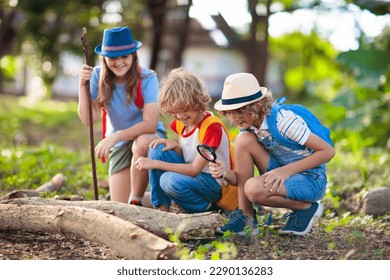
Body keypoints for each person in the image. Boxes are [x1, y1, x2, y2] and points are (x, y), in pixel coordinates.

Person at [209, 73, 335, 236]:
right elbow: (241, 179)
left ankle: (307, 208)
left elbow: (327, 152)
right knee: (243, 140)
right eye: (230, 113)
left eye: (238, 111)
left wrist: (285, 171)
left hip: (311, 178)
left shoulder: (283, 121)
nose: (233, 120)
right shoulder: (251, 126)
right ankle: (246, 218)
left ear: (254, 106)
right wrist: (225, 173)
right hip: (281, 172)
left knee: (253, 189)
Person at [78, 26, 166, 205]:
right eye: (112, 58)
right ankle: (156, 201)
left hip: (148, 140)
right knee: (119, 205)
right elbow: (89, 118)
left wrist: (114, 136)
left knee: (142, 143)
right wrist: (82, 86)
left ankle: (137, 198)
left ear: (133, 55)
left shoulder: (147, 78)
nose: (119, 63)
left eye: (124, 56)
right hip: (120, 143)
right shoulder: (97, 76)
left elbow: (150, 124)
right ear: (104, 58)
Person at [134, 67, 232, 213]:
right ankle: (162, 208)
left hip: (212, 184)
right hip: (194, 178)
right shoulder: (182, 122)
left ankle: (206, 208)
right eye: (175, 112)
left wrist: (154, 163)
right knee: (157, 149)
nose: (180, 116)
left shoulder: (211, 127)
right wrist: (175, 147)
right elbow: (187, 156)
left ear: (197, 102)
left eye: (184, 109)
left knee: (168, 180)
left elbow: (194, 169)